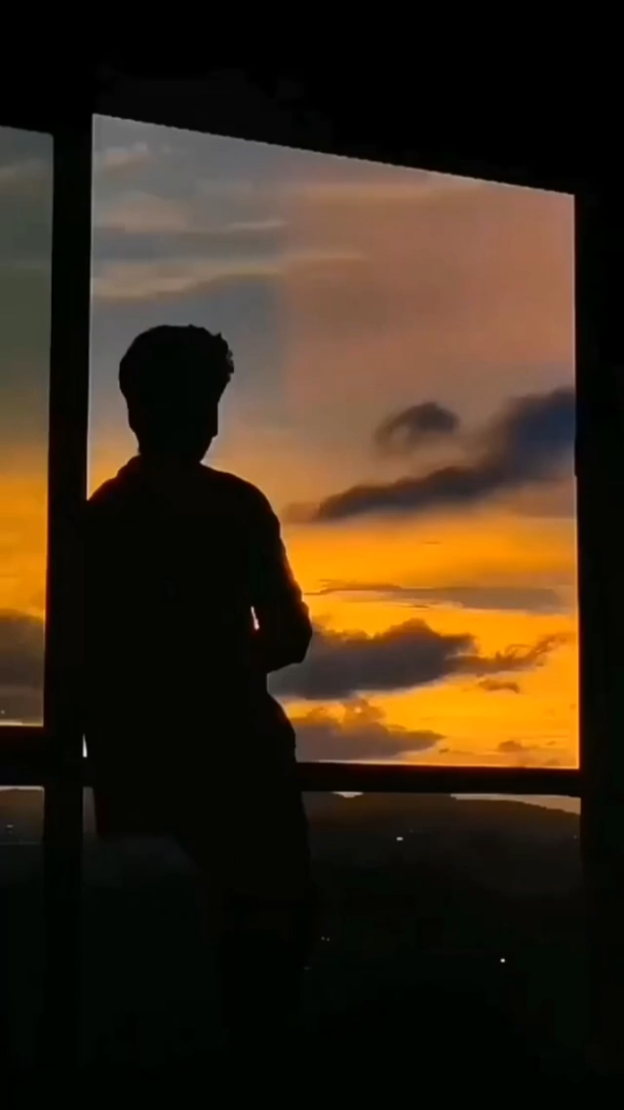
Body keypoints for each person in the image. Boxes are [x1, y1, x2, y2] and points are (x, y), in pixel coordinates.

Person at [85, 325, 317, 1053]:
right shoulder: (237, 508)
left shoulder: (98, 521)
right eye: (205, 401)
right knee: (259, 988)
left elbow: (87, 660)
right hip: (245, 778)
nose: (209, 422)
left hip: (138, 778)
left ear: (133, 408)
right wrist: (222, 669)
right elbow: (290, 634)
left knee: (158, 992)